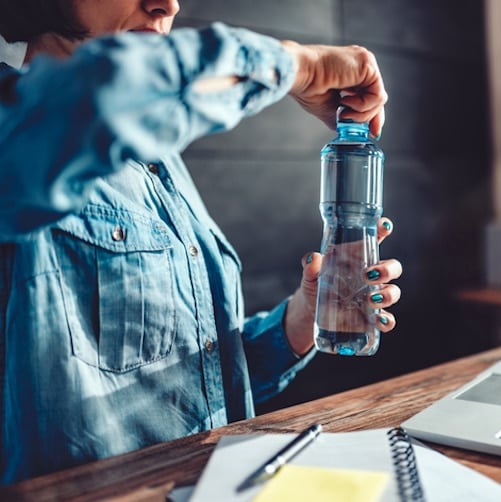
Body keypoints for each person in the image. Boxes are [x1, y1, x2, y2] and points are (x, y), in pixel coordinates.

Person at [0, 0, 402, 483]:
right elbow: (99, 98)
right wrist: (299, 64)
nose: (166, 3)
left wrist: (297, 322)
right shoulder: (18, 128)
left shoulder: (158, 157)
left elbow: (177, 387)